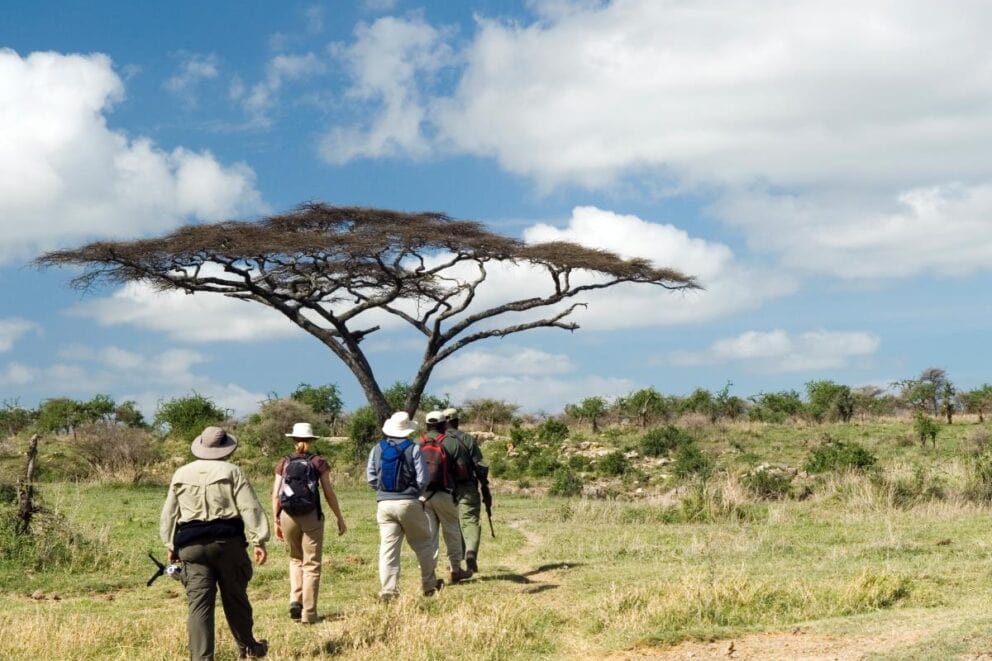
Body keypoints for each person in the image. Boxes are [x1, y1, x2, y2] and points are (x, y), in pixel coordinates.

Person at [159, 426, 270, 660]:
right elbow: (249, 507)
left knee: (199, 605)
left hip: (191, 546)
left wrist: (170, 545)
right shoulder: (233, 471)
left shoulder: (181, 473)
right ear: (225, 448)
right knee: (235, 598)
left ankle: (201, 658)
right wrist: (258, 540)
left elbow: (169, 513)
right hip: (228, 543)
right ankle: (249, 648)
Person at [271, 422, 347, 624]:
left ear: (294, 440)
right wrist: (339, 517)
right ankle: (309, 614)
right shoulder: (318, 462)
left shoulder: (284, 462)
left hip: (287, 515)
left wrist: (276, 520)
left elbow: (276, 495)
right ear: (312, 441)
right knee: (311, 564)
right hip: (311, 515)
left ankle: (295, 600)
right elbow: (328, 493)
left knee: (295, 559)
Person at [367, 411, 442, 599]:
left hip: (384, 504)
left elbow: (371, 477)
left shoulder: (377, 448)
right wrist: (414, 494)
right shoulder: (413, 448)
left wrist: (383, 491)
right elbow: (423, 478)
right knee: (423, 543)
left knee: (388, 549)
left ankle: (389, 590)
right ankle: (429, 584)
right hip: (408, 501)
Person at [419, 411, 473, 584]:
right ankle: (455, 570)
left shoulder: (417, 442)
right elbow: (461, 471)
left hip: (424, 495)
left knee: (429, 536)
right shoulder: (451, 442)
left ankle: (429, 575)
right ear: (443, 425)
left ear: (427, 425)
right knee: (452, 531)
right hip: (445, 493)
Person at [442, 407, 490, 573]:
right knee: (470, 520)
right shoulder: (467, 439)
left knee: (453, 524)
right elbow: (480, 465)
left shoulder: (439, 440)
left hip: (445, 489)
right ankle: (470, 553)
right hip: (467, 486)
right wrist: (484, 486)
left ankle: (456, 560)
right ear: (457, 421)